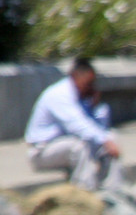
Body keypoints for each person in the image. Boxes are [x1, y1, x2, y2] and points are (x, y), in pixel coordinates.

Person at [24, 57, 124, 191]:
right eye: (89, 82)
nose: (91, 87)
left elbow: (96, 127)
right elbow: (78, 125)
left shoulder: (80, 97)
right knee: (79, 147)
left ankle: (114, 191)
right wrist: (104, 140)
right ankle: (86, 192)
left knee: (111, 138)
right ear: (78, 76)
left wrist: (94, 107)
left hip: (63, 145)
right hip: (42, 152)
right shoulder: (60, 94)